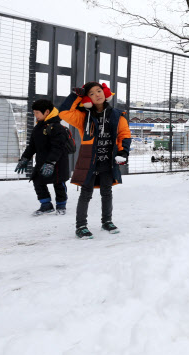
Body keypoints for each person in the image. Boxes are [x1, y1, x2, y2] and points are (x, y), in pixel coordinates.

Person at [59, 82, 131, 239]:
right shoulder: (83, 116)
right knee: (86, 193)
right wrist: (75, 96)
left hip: (108, 160)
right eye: (91, 93)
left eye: (99, 91)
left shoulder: (117, 115)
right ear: (87, 98)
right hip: (89, 160)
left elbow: (124, 134)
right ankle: (81, 226)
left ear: (105, 93)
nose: (97, 94)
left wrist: (123, 152)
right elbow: (64, 112)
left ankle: (107, 221)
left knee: (107, 192)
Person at [15, 99, 69, 216]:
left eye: (37, 113)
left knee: (58, 182)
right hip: (42, 160)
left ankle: (61, 205)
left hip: (57, 161)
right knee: (37, 180)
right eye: (34, 113)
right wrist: (24, 159)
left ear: (47, 112)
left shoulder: (58, 128)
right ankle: (46, 205)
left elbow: (58, 147)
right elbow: (32, 147)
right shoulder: (37, 128)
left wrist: (51, 162)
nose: (35, 116)